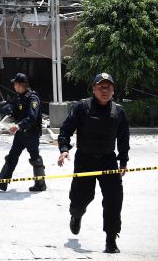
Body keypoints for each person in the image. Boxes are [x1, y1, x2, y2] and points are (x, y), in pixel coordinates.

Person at [57, 72, 130, 254]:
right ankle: (76, 214)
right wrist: (64, 149)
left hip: (108, 160)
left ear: (113, 90)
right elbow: (66, 129)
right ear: (94, 89)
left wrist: (123, 161)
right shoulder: (82, 107)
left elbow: (123, 138)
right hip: (85, 160)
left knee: (114, 199)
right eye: (101, 87)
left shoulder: (118, 111)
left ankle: (111, 239)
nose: (104, 91)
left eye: (108, 87)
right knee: (81, 198)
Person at [0, 73, 46, 192]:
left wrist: (18, 126)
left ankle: (40, 184)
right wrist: (9, 111)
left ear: (21, 85)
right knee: (11, 156)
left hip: (31, 134)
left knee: (35, 158)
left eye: (15, 84)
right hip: (20, 134)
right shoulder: (19, 97)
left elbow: (32, 117)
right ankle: (2, 182)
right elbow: (17, 113)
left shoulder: (33, 98)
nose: (14, 86)